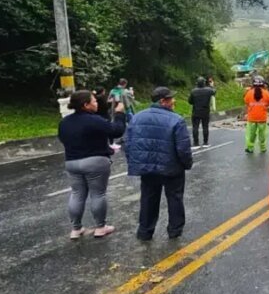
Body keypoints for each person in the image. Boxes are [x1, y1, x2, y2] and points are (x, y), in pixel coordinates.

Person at [123, 87, 193, 241]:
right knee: (174, 198)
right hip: (172, 168)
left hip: (147, 169)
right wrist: (186, 164)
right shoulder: (176, 120)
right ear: (163, 101)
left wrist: (136, 162)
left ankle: (145, 231)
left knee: (148, 198)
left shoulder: (137, 118)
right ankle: (175, 231)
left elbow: (128, 144)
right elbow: (183, 148)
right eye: (171, 99)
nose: (174, 101)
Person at [57, 90, 127, 240]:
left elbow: (63, 139)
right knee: (97, 194)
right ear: (86, 105)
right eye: (94, 101)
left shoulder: (64, 122)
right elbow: (116, 131)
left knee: (77, 194)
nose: (96, 103)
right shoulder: (94, 120)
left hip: (72, 162)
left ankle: (76, 229)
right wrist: (120, 114)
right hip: (95, 161)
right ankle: (100, 227)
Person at [243, 76, 269, 154]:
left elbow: (246, 101)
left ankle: (250, 148)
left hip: (252, 118)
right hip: (262, 118)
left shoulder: (249, 92)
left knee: (251, 134)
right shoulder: (266, 92)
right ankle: (263, 148)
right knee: (262, 134)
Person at [188, 77, 216, 147]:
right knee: (205, 127)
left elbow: (190, 101)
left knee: (195, 127)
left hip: (196, 111)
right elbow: (214, 91)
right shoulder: (208, 90)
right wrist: (211, 85)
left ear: (197, 83)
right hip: (205, 111)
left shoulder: (193, 91)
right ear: (204, 83)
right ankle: (205, 142)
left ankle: (196, 143)